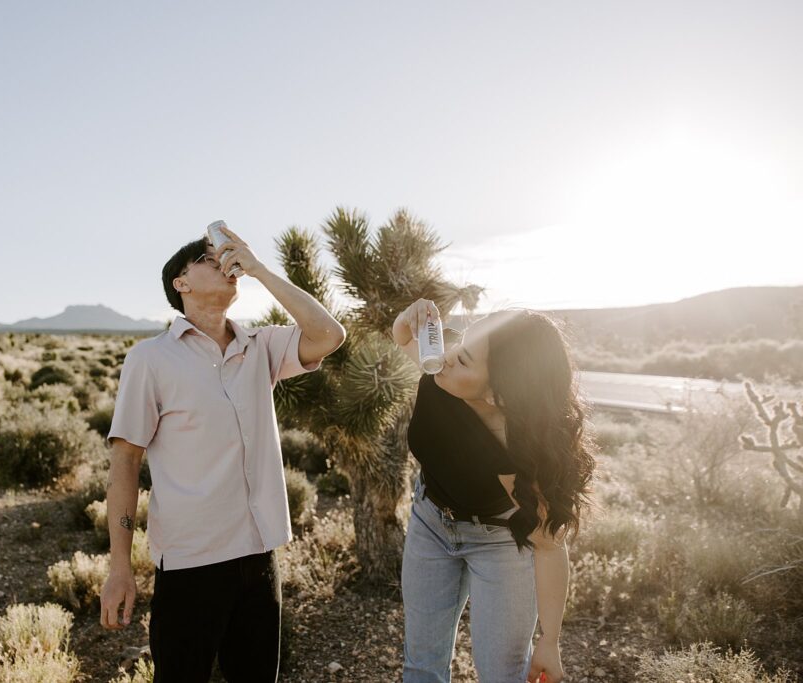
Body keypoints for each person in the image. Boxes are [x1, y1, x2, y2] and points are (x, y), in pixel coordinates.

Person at [99, 225, 345, 682]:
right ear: (181, 283)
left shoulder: (262, 347)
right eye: (209, 260)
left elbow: (329, 334)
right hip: (191, 564)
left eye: (228, 259)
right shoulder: (150, 359)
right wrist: (119, 568)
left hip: (258, 558)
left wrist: (260, 268)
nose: (225, 264)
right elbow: (125, 461)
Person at [392, 299, 595, 683]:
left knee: (501, 675)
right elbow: (403, 335)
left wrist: (549, 641)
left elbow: (549, 546)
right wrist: (411, 316)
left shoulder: (520, 453)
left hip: (499, 539)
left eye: (464, 357)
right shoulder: (443, 375)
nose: (447, 355)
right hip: (430, 522)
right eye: (459, 343)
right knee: (421, 666)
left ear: (499, 395)